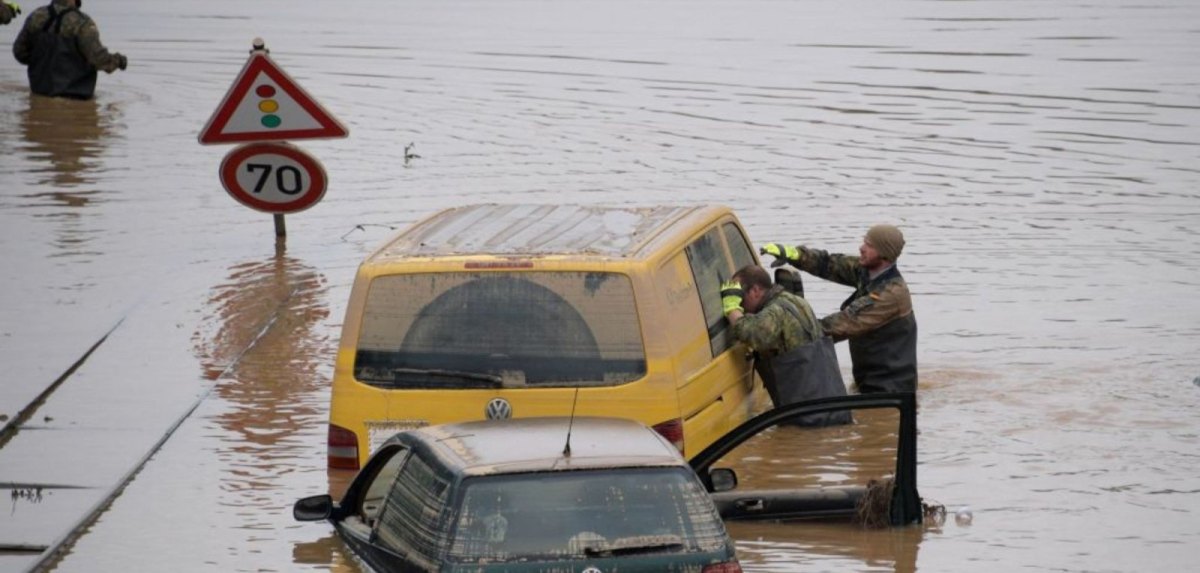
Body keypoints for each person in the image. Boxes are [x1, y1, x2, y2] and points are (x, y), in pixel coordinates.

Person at [760, 224, 917, 394]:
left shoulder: (891, 295)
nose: (861, 248)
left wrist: (784, 332)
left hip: (890, 390)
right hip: (868, 381)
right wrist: (795, 254)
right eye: (864, 242)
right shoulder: (868, 271)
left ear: (884, 254)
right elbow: (828, 264)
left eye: (869, 246)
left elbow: (840, 325)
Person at [720, 265, 851, 426]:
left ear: (755, 291)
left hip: (810, 416)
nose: (741, 303)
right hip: (833, 405)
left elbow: (754, 335)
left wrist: (732, 309)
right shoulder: (796, 301)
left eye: (740, 296)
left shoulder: (776, 312)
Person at [12, 0, 127, 99]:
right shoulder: (83, 23)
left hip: (39, 94)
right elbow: (99, 60)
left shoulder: (36, 16)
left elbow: (19, 52)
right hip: (75, 99)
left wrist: (42, 61)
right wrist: (119, 61)